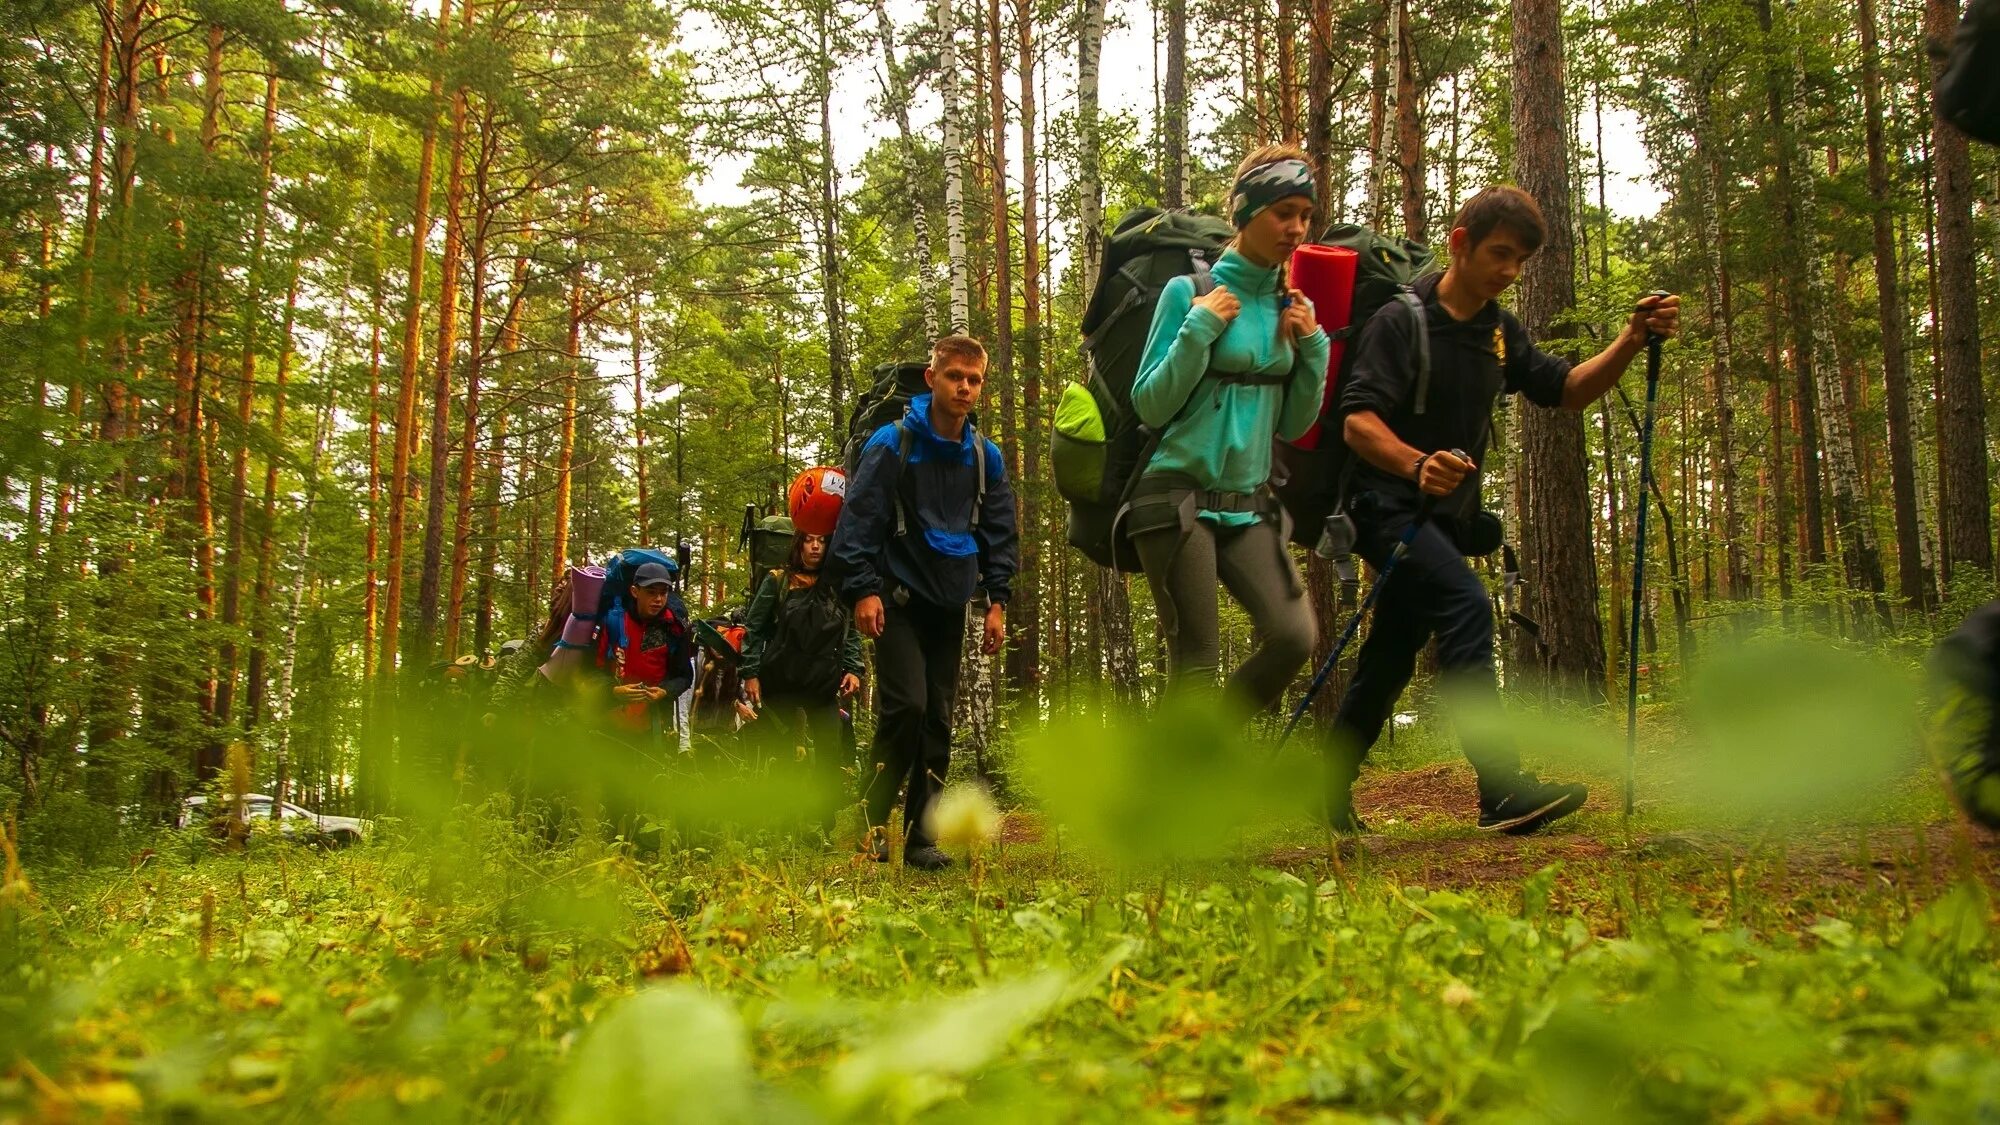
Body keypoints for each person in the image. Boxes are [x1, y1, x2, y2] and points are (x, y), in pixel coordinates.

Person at [1328, 185, 1680, 834]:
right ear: (1460, 243)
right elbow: (1357, 424)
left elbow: (1568, 390)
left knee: (1394, 650)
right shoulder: (1400, 322)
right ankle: (1500, 789)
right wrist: (1415, 463)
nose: (1510, 271)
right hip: (1383, 506)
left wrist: (1632, 338)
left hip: (1441, 519)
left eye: (1520, 260)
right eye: (1500, 254)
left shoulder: (1496, 330)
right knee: (1464, 602)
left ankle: (1320, 783)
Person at [1127, 142, 1329, 711]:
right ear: (1244, 212)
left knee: (1294, 638)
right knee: (1196, 665)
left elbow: (1294, 422)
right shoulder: (1189, 292)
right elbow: (1150, 404)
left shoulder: (1290, 307)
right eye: (1282, 213)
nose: (1296, 228)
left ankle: (1197, 765)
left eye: (1305, 216)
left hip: (1248, 502)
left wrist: (1313, 348)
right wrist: (1197, 329)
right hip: (1174, 495)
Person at [828, 334, 1018, 871]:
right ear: (932, 377)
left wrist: (996, 602)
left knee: (937, 717)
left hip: (949, 601)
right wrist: (863, 589)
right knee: (906, 707)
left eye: (974, 379)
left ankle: (920, 839)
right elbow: (858, 522)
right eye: (954, 375)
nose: (964, 386)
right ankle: (869, 826)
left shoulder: (985, 456)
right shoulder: (893, 444)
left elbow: (1000, 533)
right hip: (894, 598)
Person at [741, 530, 864, 839]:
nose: (815, 546)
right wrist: (751, 673)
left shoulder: (837, 585)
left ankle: (818, 824)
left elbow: (849, 632)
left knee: (828, 753)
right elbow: (754, 629)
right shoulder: (778, 581)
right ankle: (781, 824)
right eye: (809, 540)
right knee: (780, 754)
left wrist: (853, 669)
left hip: (822, 684)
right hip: (781, 680)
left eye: (822, 541)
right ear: (798, 544)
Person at [594, 561, 695, 740]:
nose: (658, 599)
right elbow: (593, 671)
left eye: (663, 593)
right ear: (635, 591)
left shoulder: (673, 628)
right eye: (651, 592)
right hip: (609, 723)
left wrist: (664, 691)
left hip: (655, 726)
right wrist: (614, 691)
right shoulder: (614, 622)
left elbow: (684, 676)